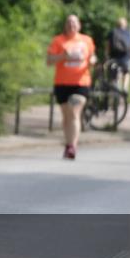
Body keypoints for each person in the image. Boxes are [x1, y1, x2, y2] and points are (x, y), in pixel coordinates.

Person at [46, 14, 96, 160]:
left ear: (79, 26)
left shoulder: (87, 40)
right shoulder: (58, 41)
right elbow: (49, 61)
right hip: (62, 83)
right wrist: (63, 56)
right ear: (65, 26)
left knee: (74, 112)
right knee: (66, 116)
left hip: (81, 83)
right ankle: (68, 144)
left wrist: (93, 60)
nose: (71, 25)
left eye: (74, 23)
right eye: (68, 23)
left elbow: (92, 56)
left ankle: (73, 146)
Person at [105, 17, 130, 93]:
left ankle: (115, 86)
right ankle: (125, 88)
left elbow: (108, 46)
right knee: (127, 73)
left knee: (112, 74)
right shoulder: (129, 33)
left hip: (113, 57)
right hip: (125, 57)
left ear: (117, 24)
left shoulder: (112, 32)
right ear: (125, 24)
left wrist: (107, 56)